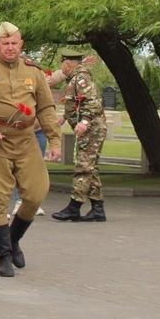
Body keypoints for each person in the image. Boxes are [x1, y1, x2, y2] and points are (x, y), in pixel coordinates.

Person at [0, 22, 61, 277]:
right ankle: (4, 256)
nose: (9, 47)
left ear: (21, 45)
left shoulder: (34, 72)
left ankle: (13, 239)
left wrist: (55, 140)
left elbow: (47, 108)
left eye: (14, 43)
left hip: (26, 139)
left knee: (35, 194)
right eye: (4, 43)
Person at [51, 50, 109, 223]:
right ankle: (97, 208)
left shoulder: (81, 79)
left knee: (83, 167)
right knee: (90, 168)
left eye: (63, 65)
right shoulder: (76, 78)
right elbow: (76, 103)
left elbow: (93, 102)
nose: (62, 68)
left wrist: (84, 122)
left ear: (68, 64)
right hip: (92, 128)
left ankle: (74, 207)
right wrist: (64, 118)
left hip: (91, 129)